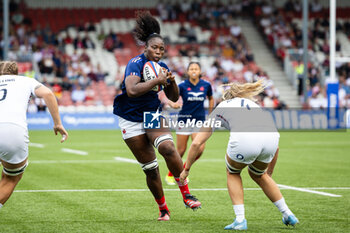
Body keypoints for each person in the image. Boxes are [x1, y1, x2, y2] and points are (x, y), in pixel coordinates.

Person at [113, 11, 201, 221]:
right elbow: (132, 90)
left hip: (152, 114)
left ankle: (186, 194)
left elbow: (172, 95)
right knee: (151, 169)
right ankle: (163, 209)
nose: (159, 52)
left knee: (169, 148)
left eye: (162, 49)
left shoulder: (162, 68)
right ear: (146, 47)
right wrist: (157, 81)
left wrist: (169, 82)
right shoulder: (135, 63)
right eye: (155, 47)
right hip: (130, 118)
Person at [180, 80, 299, 230]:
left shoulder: (222, 107)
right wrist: (269, 172)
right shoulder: (254, 106)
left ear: (226, 98)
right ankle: (288, 214)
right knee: (259, 175)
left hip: (246, 139)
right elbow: (276, 145)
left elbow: (196, 143)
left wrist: (187, 169)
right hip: (272, 138)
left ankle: (240, 220)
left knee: (233, 172)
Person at [0, 61, 68, 210]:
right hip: (11, 130)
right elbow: (48, 94)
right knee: (11, 178)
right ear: (16, 73)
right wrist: (57, 123)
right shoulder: (25, 80)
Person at [165, 62, 214, 185]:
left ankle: (183, 170)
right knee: (180, 150)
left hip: (199, 121)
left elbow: (211, 98)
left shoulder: (206, 85)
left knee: (200, 148)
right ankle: (170, 174)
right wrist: (173, 104)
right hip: (184, 120)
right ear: (187, 71)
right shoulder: (182, 85)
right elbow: (170, 98)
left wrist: (211, 114)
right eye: (191, 68)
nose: (193, 70)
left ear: (200, 71)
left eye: (196, 68)